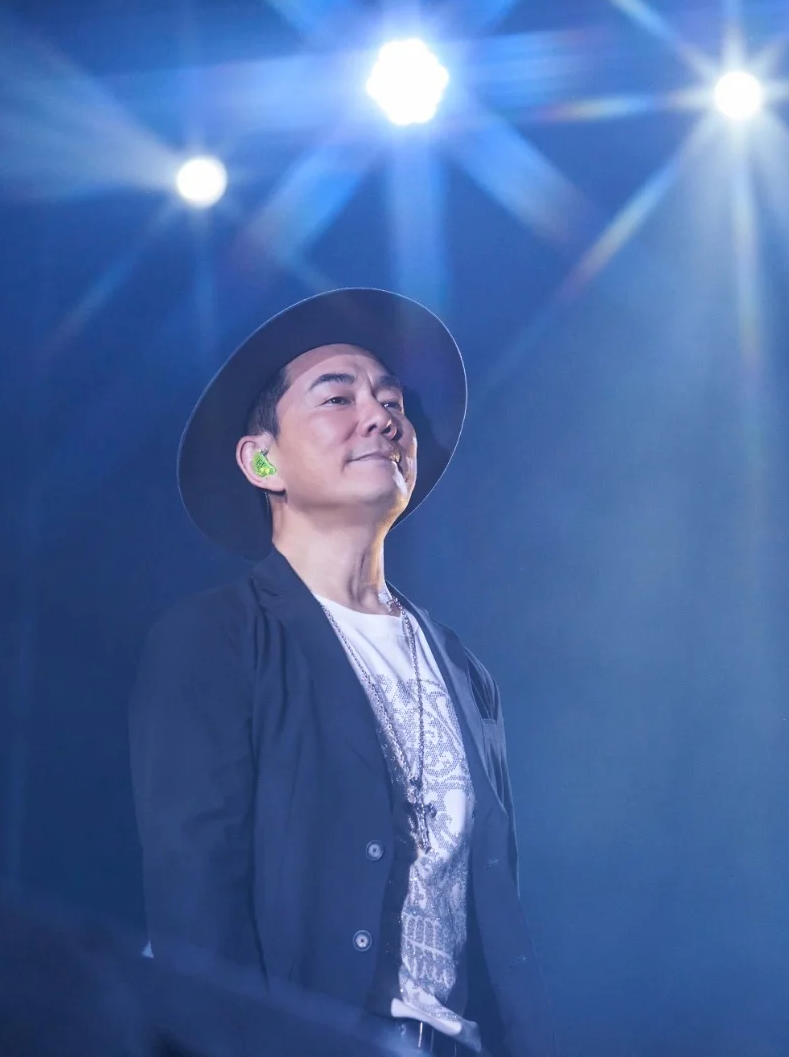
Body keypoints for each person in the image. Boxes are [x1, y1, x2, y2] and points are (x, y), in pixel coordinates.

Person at [129, 288, 556, 1057]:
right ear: (262, 459)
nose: (381, 418)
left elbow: (496, 915)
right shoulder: (215, 639)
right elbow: (197, 910)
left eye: (393, 402)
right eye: (338, 397)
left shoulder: (464, 672)